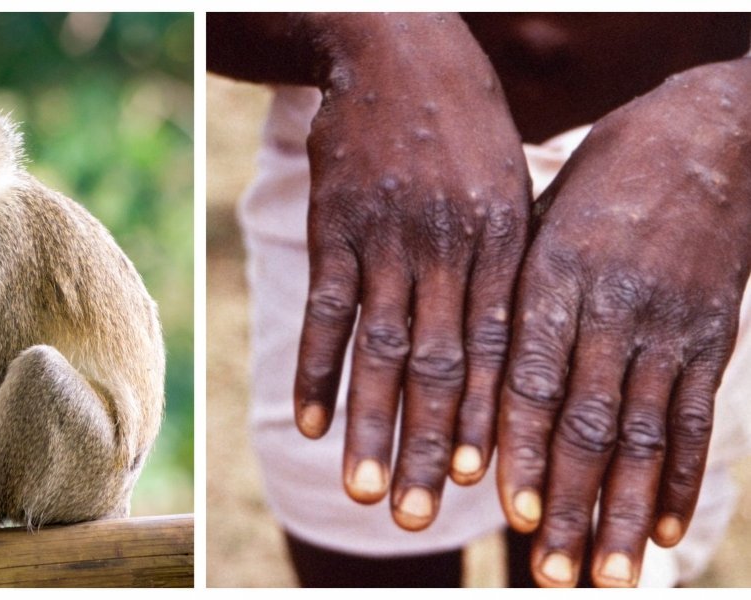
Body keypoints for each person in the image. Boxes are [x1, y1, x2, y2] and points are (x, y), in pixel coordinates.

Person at [208, 13, 751, 587]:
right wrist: (363, 28)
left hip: (688, 192)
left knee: (605, 551)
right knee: (363, 549)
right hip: (377, 142)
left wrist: (734, 115)